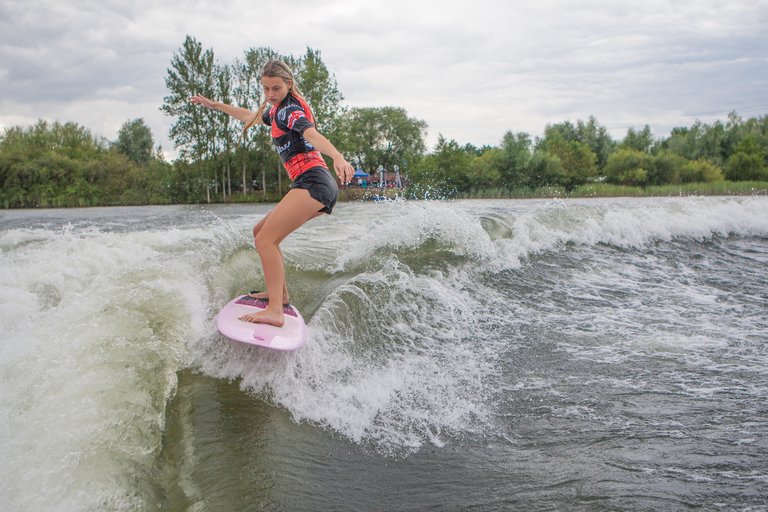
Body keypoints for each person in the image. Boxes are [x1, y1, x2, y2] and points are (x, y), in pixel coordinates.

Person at [190, 59, 354, 327]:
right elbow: (251, 116)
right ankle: (280, 295)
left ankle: (275, 310)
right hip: (308, 183)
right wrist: (215, 105)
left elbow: (311, 134)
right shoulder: (277, 110)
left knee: (266, 240)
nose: (270, 94)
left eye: (276, 88)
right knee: (261, 233)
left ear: (288, 84)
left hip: (314, 182)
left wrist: (337, 156)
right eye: (265, 89)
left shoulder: (290, 111)